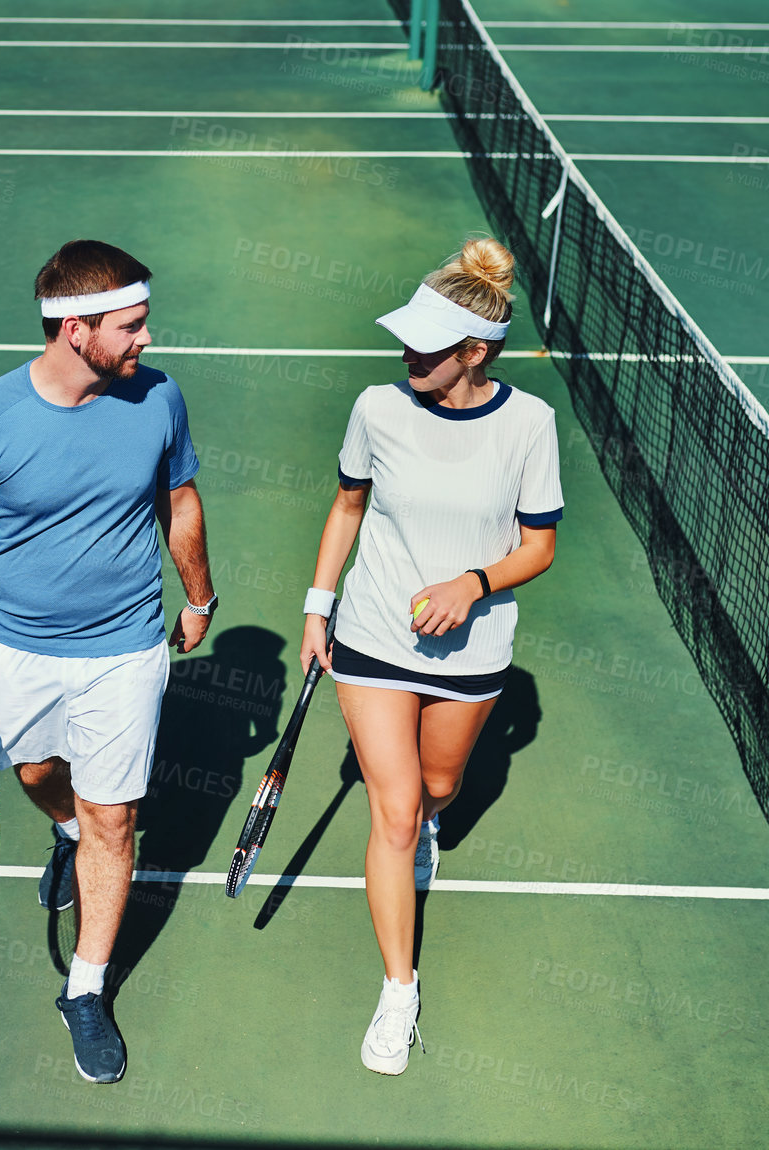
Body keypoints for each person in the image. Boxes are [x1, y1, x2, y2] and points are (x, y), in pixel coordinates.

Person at [0, 240, 215, 1085]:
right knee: (41, 775)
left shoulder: (159, 400)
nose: (147, 339)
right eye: (131, 326)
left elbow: (181, 498)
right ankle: (63, 830)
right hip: (18, 647)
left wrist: (197, 596)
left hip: (127, 647)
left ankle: (85, 989)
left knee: (114, 819)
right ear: (76, 329)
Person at [300, 237, 562, 1075]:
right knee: (395, 812)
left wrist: (473, 584)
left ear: (475, 352)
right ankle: (399, 991)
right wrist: (318, 605)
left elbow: (539, 547)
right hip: (373, 633)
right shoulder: (378, 407)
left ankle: (430, 821)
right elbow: (347, 508)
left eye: (426, 343)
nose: (406, 353)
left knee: (437, 790)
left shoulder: (529, 425)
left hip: (473, 648)